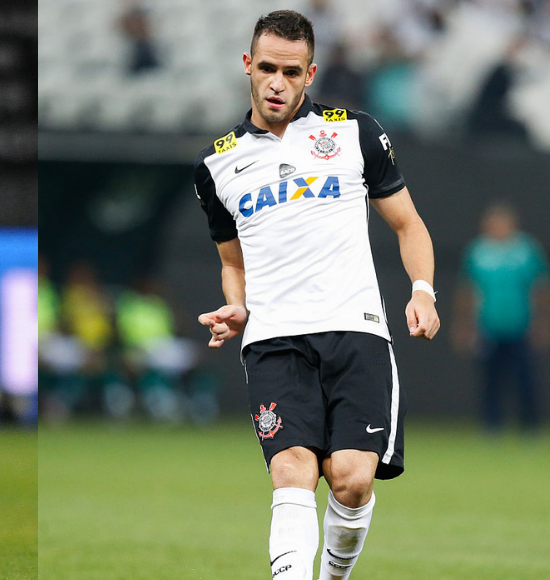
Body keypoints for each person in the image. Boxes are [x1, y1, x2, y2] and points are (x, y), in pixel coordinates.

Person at [194, 11, 439, 580]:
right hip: (275, 339)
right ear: (248, 67)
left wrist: (422, 291)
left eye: (292, 71)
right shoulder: (216, 164)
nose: (277, 82)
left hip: (356, 329)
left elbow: (410, 226)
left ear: (310, 74)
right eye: (268, 68)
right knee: (293, 471)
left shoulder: (355, 132)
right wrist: (237, 305)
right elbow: (233, 262)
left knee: (352, 479)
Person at [452, 201, 549, 433]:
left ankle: (530, 426)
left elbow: (539, 288)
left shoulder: (526, 250)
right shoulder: (478, 251)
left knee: (525, 379)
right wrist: (464, 325)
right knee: (490, 381)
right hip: (489, 326)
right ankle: (492, 426)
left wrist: (542, 322)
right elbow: (467, 290)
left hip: (520, 325)